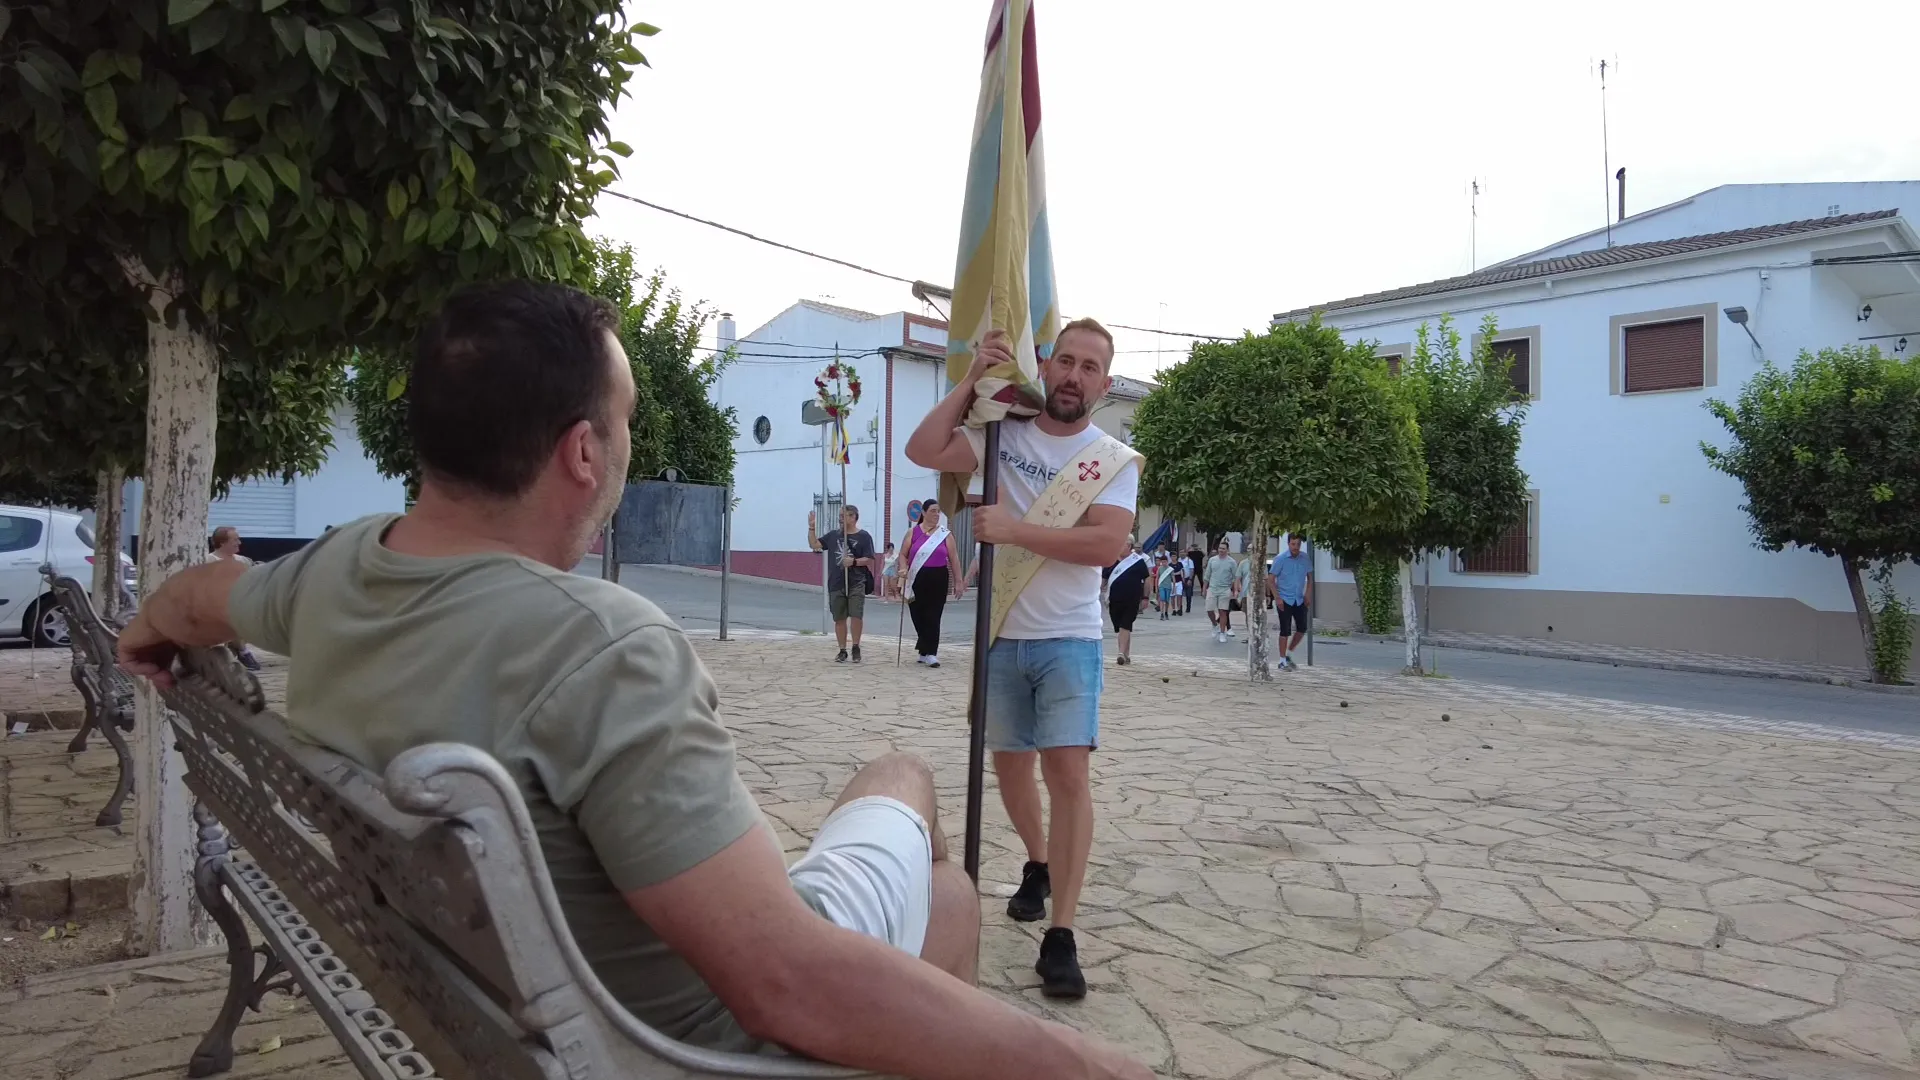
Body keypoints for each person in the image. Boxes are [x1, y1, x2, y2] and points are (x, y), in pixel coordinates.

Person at [116, 282, 1148, 1080]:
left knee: (897, 789)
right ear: (580, 453)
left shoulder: (333, 570)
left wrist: (151, 624)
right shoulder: (602, 647)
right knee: (939, 873)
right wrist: (1085, 1063)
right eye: (625, 419)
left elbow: (201, 597)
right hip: (679, 1043)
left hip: (485, 995)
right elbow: (784, 985)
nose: (625, 441)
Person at [904, 319, 1138, 1001]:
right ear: (1047, 364)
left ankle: (1061, 934)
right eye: (1065, 360)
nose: (1074, 375)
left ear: (1106, 382)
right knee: (1009, 771)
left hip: (1069, 636)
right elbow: (925, 448)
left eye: (1090, 367)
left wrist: (1014, 530)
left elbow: (1106, 544)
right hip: (1003, 633)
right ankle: (1037, 862)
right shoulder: (1003, 432)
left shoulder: (1112, 459)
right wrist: (975, 375)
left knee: (1067, 775)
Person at [808, 505, 877, 663]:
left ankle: (856, 646)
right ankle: (842, 650)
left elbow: (870, 559)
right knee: (839, 618)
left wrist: (853, 562)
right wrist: (811, 527)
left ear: (854, 517)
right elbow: (815, 545)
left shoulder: (864, 536)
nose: (840, 518)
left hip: (856, 582)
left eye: (844, 515)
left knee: (856, 615)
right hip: (836, 582)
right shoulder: (833, 536)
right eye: (840, 515)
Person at [901, 499, 964, 668]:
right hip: (917, 577)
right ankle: (923, 649)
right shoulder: (912, 533)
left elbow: (954, 558)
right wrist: (902, 569)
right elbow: (902, 555)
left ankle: (931, 653)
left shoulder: (945, 534)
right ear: (923, 512)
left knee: (934, 615)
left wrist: (959, 581)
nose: (936, 515)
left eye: (938, 511)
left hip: (938, 577)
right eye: (933, 511)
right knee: (917, 614)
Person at [207, 526, 261, 671]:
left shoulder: (243, 560)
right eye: (235, 539)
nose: (239, 542)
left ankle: (236, 649)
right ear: (223, 543)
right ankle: (242, 650)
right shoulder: (209, 561)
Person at [1268, 533, 1314, 670]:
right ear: (1288, 544)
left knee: (1302, 628)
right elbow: (1271, 579)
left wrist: (1308, 594)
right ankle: (1282, 661)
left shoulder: (1304, 558)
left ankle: (1288, 653)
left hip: (1299, 599)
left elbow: (1310, 577)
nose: (1296, 547)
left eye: (1298, 544)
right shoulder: (1281, 559)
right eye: (1293, 544)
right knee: (1285, 630)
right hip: (1284, 599)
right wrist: (1277, 597)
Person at [1104, 541, 1149, 665]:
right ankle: (1126, 654)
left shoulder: (1137, 561)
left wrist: (1145, 597)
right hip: (1114, 600)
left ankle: (1120, 653)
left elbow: (1146, 578)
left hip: (1132, 599)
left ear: (1129, 546)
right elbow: (1103, 580)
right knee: (1121, 627)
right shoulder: (1111, 561)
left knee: (1125, 624)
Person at [1204, 540, 1241, 644]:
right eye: (1220, 548)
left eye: (1223, 549)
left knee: (1223, 611)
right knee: (1209, 609)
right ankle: (1214, 625)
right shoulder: (1212, 560)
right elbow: (1207, 575)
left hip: (1225, 589)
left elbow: (1235, 578)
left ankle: (1222, 633)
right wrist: (1204, 588)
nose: (1221, 550)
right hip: (1212, 588)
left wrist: (1235, 590)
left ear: (1227, 550)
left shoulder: (1232, 562)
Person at [1154, 551, 1175, 618]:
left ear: (1167, 561)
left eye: (1165, 562)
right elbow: (1157, 578)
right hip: (1161, 586)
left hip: (1168, 586)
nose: (1164, 563)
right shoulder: (1159, 568)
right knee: (1162, 599)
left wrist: (1174, 587)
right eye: (1162, 562)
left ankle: (1166, 612)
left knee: (1167, 600)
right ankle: (1162, 613)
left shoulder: (1170, 569)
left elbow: (1173, 578)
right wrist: (1157, 587)